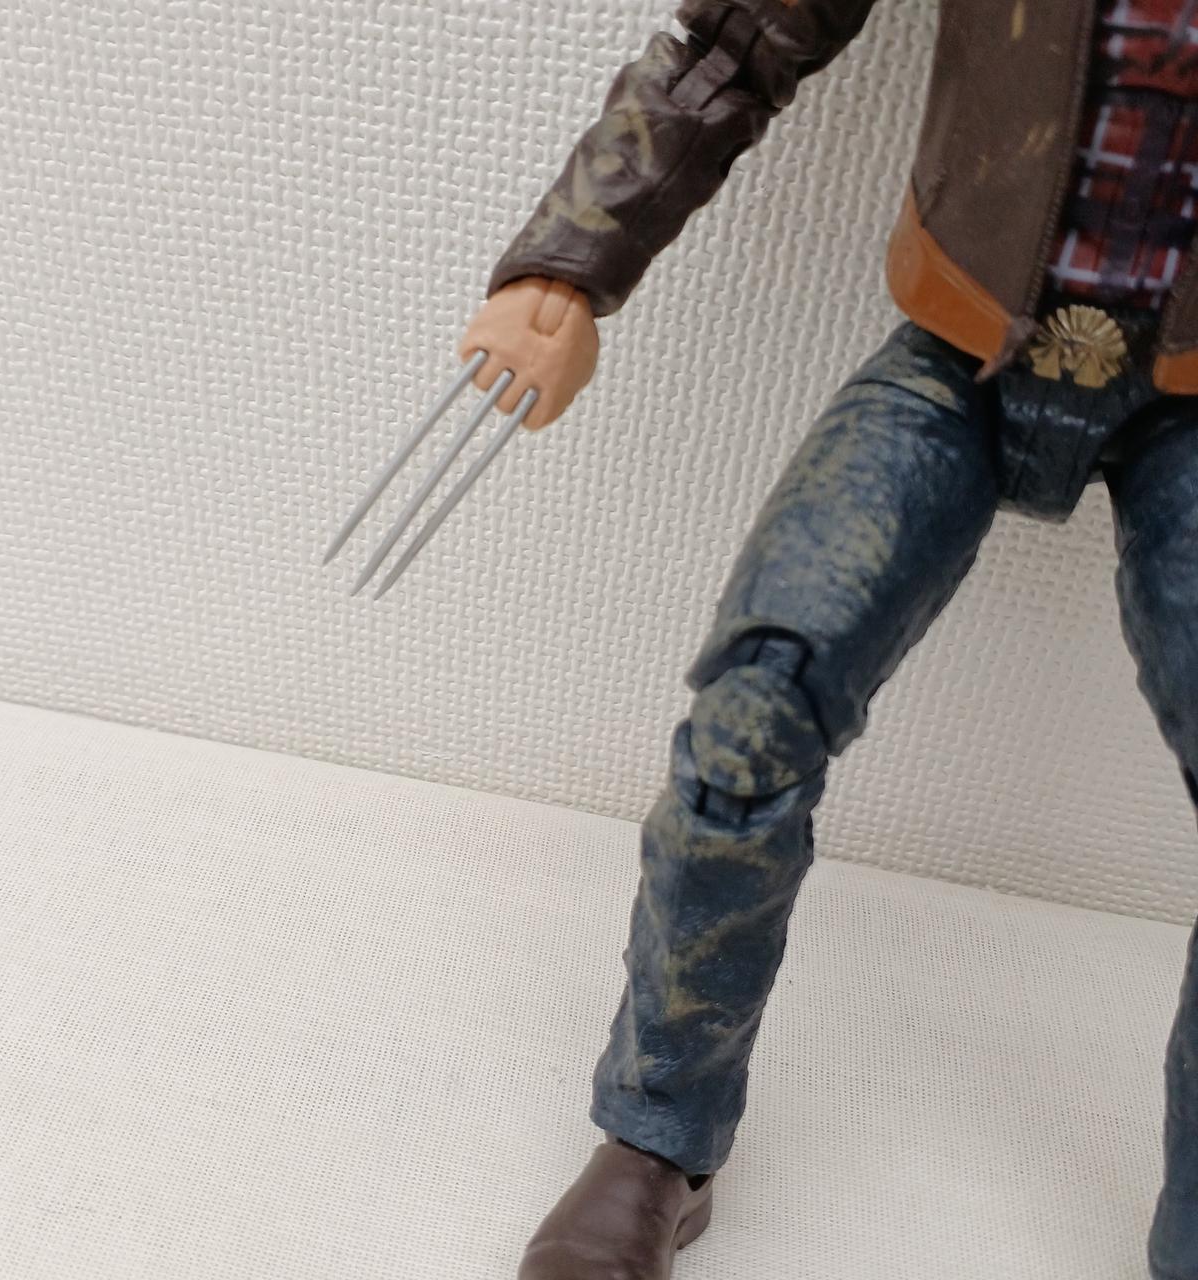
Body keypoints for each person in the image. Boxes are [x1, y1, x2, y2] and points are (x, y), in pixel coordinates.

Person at [456, 3, 1198, 1277]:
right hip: (957, 355)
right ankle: (655, 1137)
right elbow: (735, 44)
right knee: (749, 714)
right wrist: (568, 260)